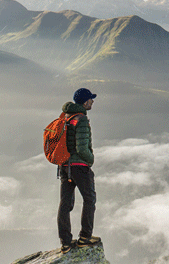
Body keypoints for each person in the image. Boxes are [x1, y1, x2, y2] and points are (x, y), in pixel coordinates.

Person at [58, 88, 101, 253]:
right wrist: (90, 160)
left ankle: (65, 243)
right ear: (85, 102)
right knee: (89, 200)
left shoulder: (67, 117)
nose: (92, 102)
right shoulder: (81, 119)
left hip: (65, 166)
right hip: (79, 167)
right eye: (91, 99)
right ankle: (84, 238)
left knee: (65, 204)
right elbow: (82, 148)